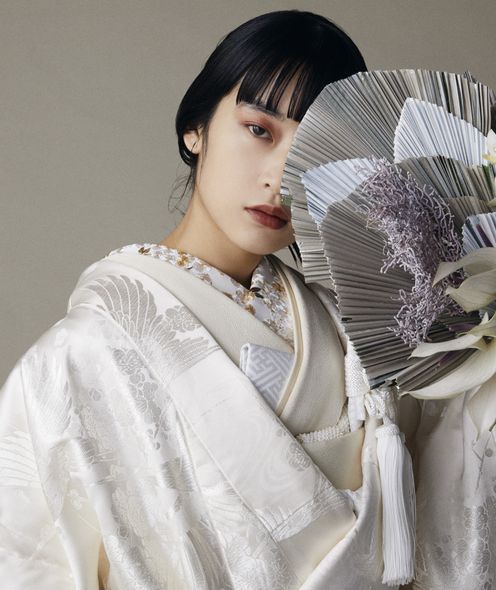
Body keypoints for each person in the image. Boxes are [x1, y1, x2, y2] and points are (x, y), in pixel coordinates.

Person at [0, 9, 494, 590]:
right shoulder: (78, 358)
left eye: (315, 152)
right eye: (260, 130)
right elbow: (31, 563)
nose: (281, 176)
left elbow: (450, 487)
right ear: (196, 128)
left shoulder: (360, 335)